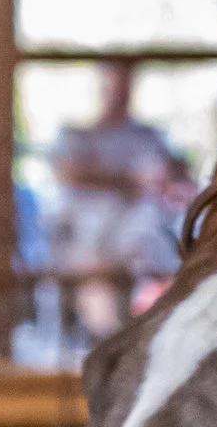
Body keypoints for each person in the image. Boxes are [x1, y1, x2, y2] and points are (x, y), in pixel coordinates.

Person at [47, 63, 185, 337]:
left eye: (125, 84)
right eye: (113, 84)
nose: (119, 92)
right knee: (93, 259)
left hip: (139, 228)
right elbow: (68, 173)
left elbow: (172, 175)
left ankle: (152, 331)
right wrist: (125, 180)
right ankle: (105, 336)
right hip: (88, 232)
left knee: (149, 241)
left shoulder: (149, 136)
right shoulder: (76, 135)